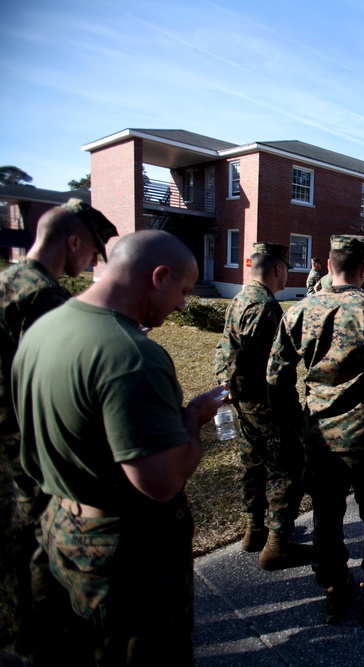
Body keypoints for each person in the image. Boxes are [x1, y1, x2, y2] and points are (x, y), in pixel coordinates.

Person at [13, 230, 227, 665]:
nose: (183, 304)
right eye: (182, 291)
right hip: (124, 559)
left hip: (59, 528)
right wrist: (193, 421)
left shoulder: (42, 329)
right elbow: (160, 482)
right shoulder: (132, 355)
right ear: (159, 276)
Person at [267, 235, 364, 627]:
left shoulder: (299, 310)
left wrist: (294, 422)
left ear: (329, 265)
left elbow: (275, 374)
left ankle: (335, 589)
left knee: (326, 511)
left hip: (318, 432)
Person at [0, 198, 117, 660]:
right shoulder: (42, 296)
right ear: (73, 242)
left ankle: (21, 633)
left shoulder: (7, 281)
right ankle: (43, 640)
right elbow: (61, 375)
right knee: (37, 542)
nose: (92, 262)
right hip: (24, 442)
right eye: (91, 252)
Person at [213, 242, 310, 571]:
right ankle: (277, 544)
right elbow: (269, 369)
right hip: (264, 403)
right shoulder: (266, 307)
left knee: (253, 465)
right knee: (286, 468)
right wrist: (289, 414)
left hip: (242, 401)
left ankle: (255, 530)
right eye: (288, 269)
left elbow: (225, 350)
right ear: (279, 269)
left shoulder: (241, 297)